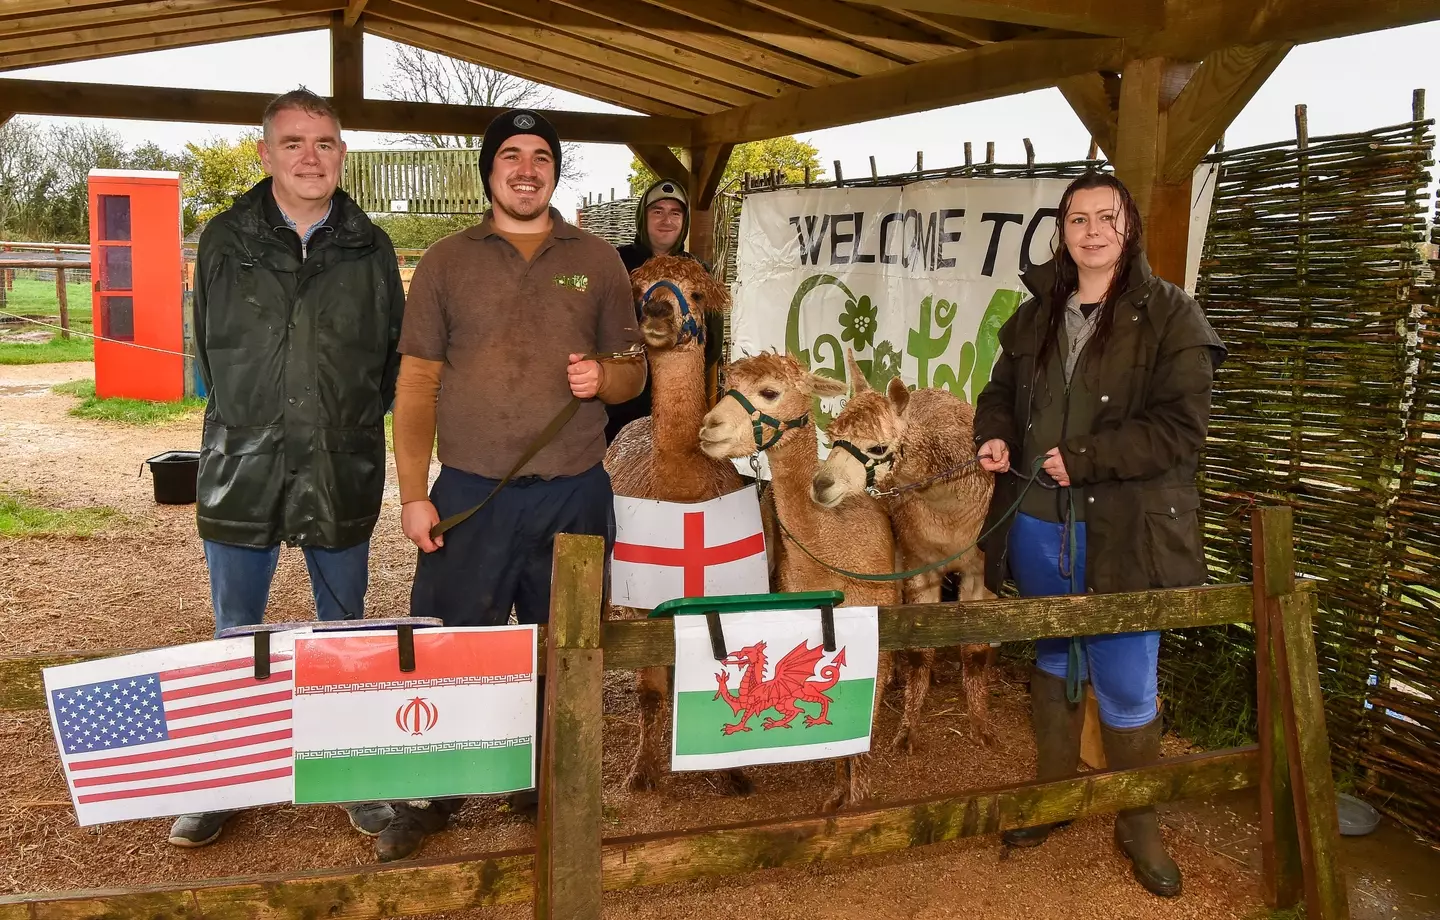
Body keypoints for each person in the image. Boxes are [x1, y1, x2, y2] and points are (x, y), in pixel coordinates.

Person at [382, 108, 644, 862]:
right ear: (489, 171)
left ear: (555, 172)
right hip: (470, 491)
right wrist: (412, 493)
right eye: (511, 157)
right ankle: (435, 790)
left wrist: (609, 376)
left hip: (572, 489)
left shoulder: (595, 260)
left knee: (567, 643)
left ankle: (545, 781)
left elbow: (633, 365)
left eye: (540, 157)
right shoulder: (445, 262)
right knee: (449, 644)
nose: (526, 169)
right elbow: (418, 383)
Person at [973, 172, 1225, 898]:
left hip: (1125, 531)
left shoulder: (1173, 316)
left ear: (1129, 226)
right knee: (1053, 656)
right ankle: (1053, 798)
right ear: (1063, 230)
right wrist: (995, 435)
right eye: (1077, 219)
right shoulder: (1038, 313)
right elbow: (998, 392)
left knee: (1124, 677)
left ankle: (1136, 821)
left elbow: (1183, 430)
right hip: (1035, 523)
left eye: (1105, 218)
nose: (1091, 231)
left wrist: (1086, 457)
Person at [177, 88, 404, 847]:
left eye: (327, 142)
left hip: (341, 462)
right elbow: (206, 355)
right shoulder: (224, 240)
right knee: (235, 630)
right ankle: (221, 778)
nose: (312, 156)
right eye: (296, 142)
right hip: (243, 464)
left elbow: (390, 362)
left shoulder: (369, 247)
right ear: (265, 152)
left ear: (342, 153)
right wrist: (249, 418)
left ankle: (351, 775)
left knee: (342, 625)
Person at [605, 178, 726, 443]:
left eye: (675, 212)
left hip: (677, 399)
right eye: (657, 211)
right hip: (620, 402)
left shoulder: (698, 270)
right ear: (643, 217)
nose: (666, 220)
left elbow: (713, 341)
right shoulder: (615, 263)